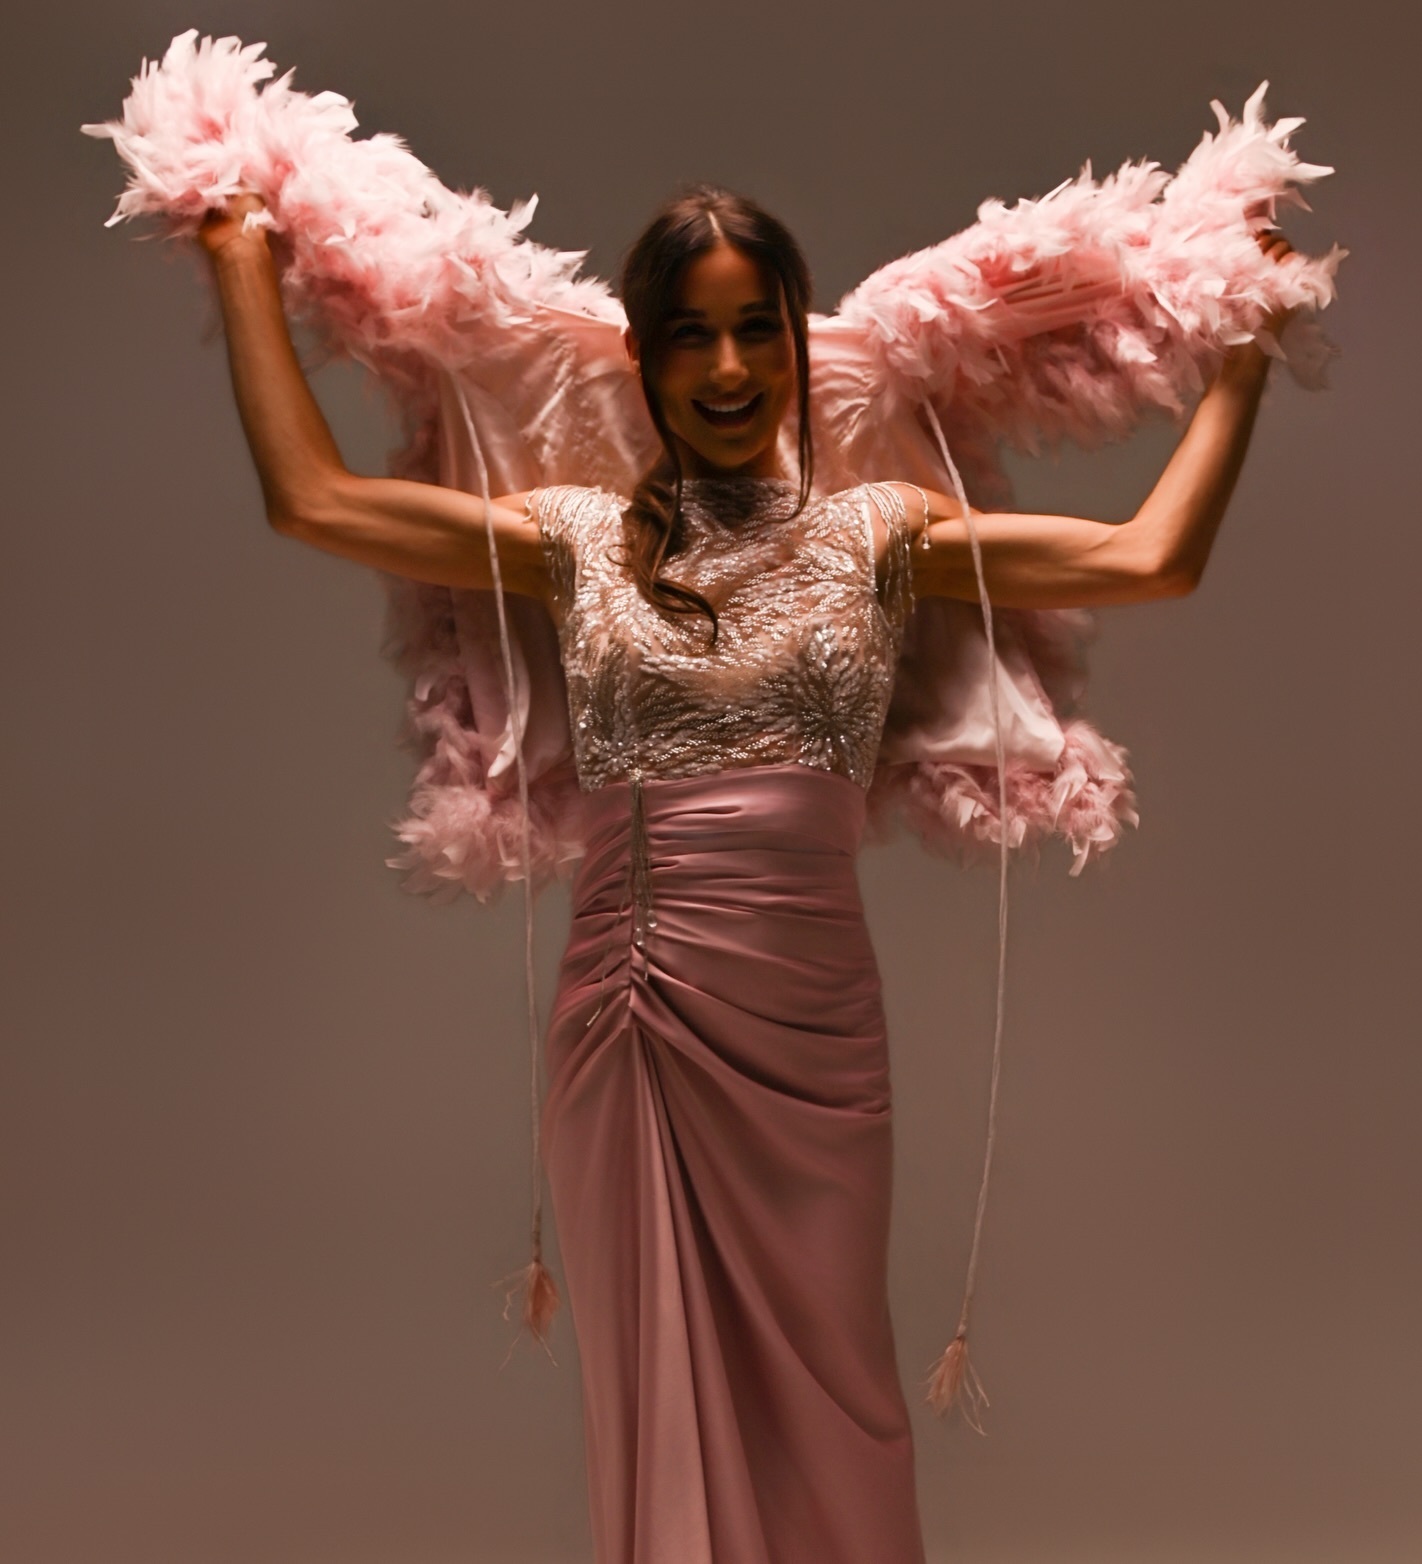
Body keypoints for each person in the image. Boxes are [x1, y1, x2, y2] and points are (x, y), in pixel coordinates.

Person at [190, 178, 1298, 1564]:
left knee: (840, 1402)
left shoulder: (879, 535)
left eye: (756, 329)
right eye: (691, 334)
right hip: (637, 1012)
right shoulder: (573, 539)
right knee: (659, 1392)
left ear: (797, 339)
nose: (727, 369)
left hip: (816, 1032)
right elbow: (313, 499)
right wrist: (240, 263)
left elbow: (1148, 557)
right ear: (642, 358)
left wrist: (1247, 351)